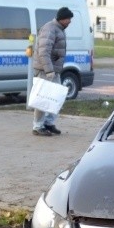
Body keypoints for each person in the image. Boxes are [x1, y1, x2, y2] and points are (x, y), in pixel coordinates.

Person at [32, 7, 72, 136]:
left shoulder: (59, 29)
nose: (70, 21)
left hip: (54, 70)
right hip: (46, 71)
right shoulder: (50, 29)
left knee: (55, 98)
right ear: (62, 18)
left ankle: (49, 123)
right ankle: (38, 126)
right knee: (43, 99)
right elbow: (44, 52)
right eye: (68, 19)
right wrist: (49, 70)